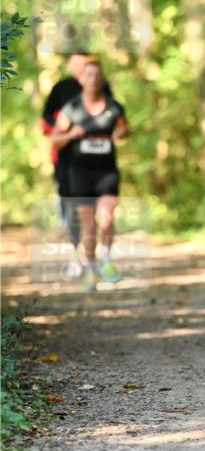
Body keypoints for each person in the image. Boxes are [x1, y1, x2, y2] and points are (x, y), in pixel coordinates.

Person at [51, 59, 128, 292]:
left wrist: (121, 133)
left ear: (101, 78)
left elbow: (124, 128)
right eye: (88, 74)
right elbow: (54, 138)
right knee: (89, 226)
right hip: (80, 173)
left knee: (106, 219)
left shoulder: (114, 106)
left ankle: (105, 259)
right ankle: (91, 268)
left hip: (106, 171)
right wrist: (72, 133)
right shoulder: (71, 108)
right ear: (81, 79)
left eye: (97, 74)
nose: (93, 78)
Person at [41, 49, 113, 278]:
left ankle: (99, 258)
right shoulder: (61, 88)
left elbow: (114, 116)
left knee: (102, 210)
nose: (81, 69)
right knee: (72, 208)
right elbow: (46, 120)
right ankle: (75, 256)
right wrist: (69, 132)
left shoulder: (103, 87)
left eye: (85, 65)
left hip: (100, 162)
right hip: (67, 160)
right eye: (75, 65)